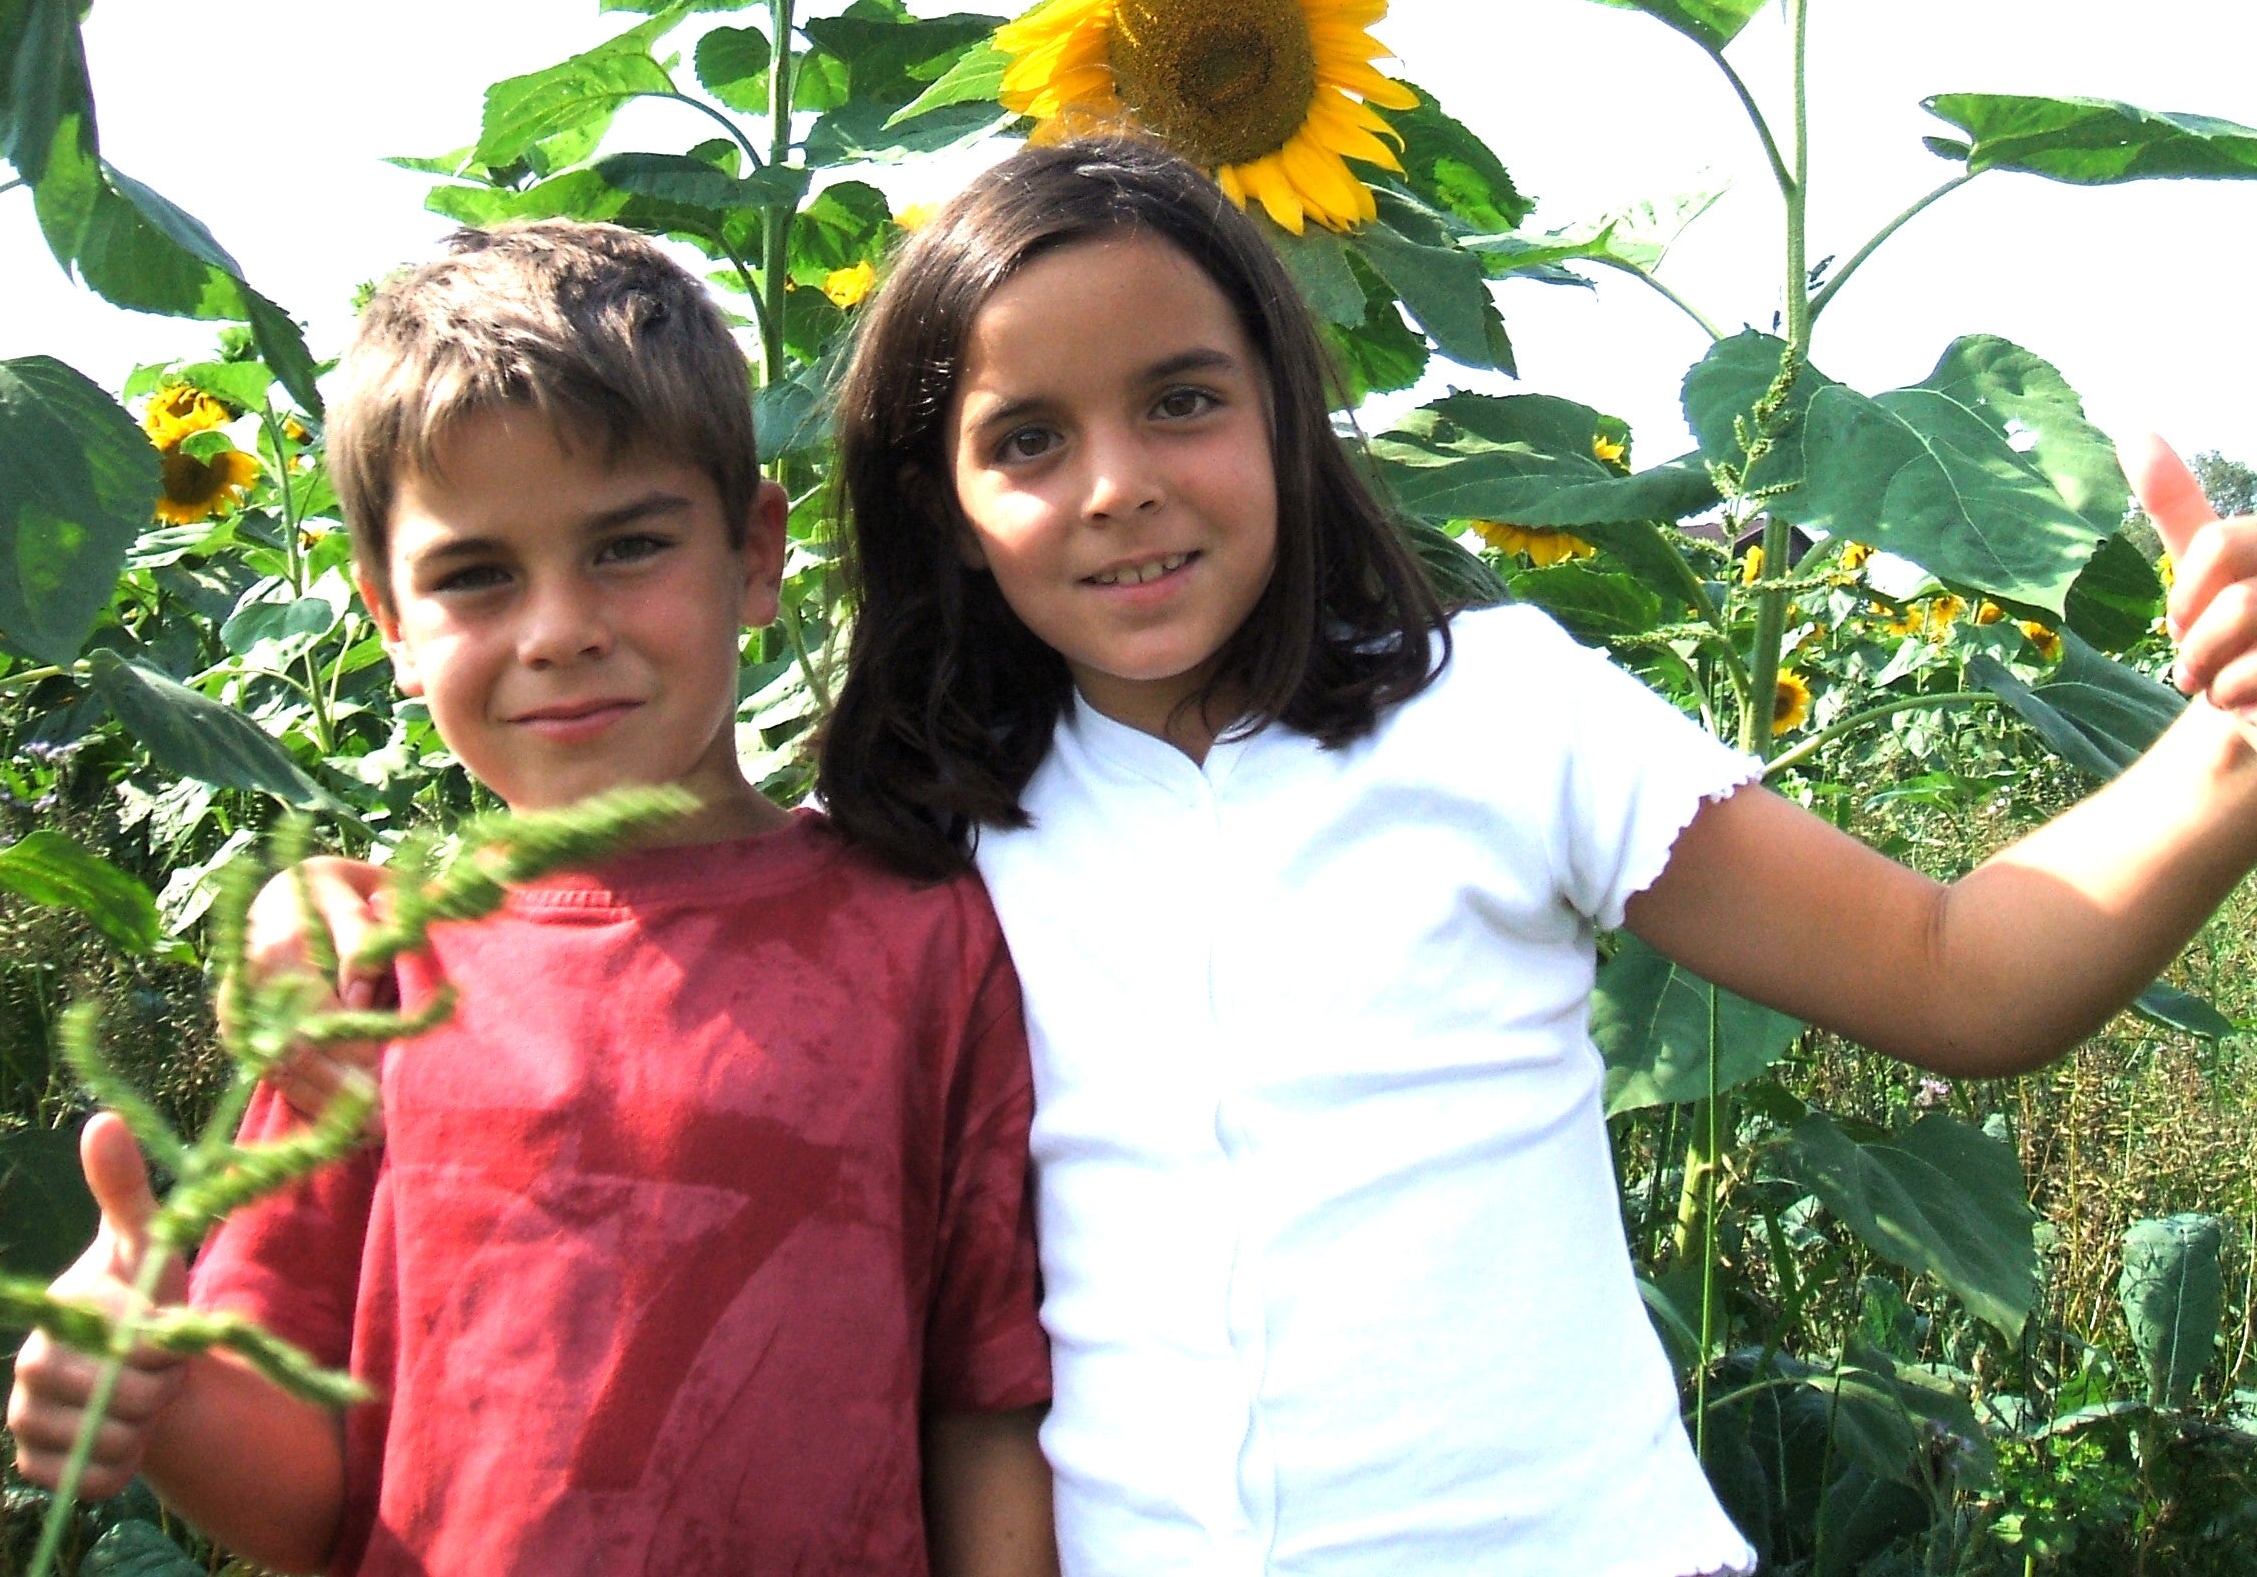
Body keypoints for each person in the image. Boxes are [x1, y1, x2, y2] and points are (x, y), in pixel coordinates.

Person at [806, 135, 2257, 1576]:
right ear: (941, 497)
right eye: (1028, 440)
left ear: (1286, 417)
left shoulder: (1497, 713)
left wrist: (2232, 753)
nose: (1117, 484)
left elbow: (1960, 977)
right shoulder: (942, 837)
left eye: (1182, 401)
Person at [3, 220, 1057, 1577]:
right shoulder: (364, 981)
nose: (559, 627)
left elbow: (986, 1404)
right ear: (388, 619)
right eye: (477, 576)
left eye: (626, 547)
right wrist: (152, 1393)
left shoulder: (923, 939)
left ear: (753, 555)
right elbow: (316, 1500)